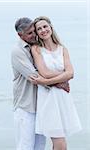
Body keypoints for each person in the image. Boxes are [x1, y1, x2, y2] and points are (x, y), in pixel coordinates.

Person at [11, 17, 70, 150]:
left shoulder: (35, 48)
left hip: (40, 106)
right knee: (25, 146)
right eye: (30, 33)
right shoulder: (18, 51)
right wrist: (62, 80)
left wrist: (66, 75)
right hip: (26, 107)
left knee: (39, 146)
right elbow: (35, 76)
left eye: (34, 31)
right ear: (20, 35)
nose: (34, 35)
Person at [30, 16, 82, 150]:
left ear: (51, 28)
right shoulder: (36, 49)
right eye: (39, 29)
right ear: (37, 33)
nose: (43, 30)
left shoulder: (62, 49)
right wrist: (62, 78)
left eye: (45, 26)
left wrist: (46, 81)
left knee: (58, 143)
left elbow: (71, 73)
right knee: (61, 144)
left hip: (63, 98)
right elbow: (45, 72)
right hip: (48, 99)